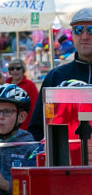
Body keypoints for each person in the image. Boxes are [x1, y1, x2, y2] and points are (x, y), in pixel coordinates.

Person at [28, 8, 92, 141]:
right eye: (78, 30)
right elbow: (37, 128)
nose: (85, 36)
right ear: (72, 34)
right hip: (66, 158)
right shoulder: (56, 76)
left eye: (91, 29)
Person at [6, 59, 37, 133]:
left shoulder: (30, 85)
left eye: (18, 68)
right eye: (12, 69)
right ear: (9, 71)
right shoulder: (5, 85)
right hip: (8, 123)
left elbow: (34, 105)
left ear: (23, 70)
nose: (15, 71)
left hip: (26, 123)